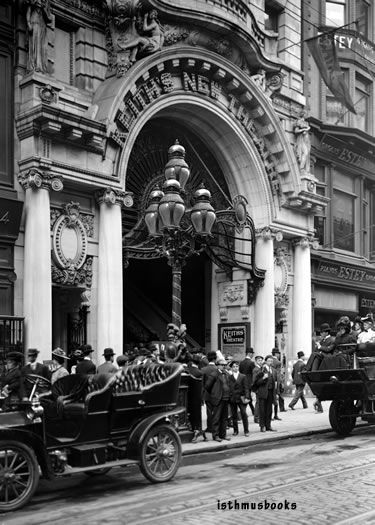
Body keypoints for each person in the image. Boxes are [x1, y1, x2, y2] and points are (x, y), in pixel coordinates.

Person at [205, 358, 231, 442]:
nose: (223, 366)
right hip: (218, 398)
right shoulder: (214, 374)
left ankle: (223, 435)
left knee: (224, 418)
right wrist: (214, 394)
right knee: (216, 418)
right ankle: (215, 435)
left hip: (225, 398)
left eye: (225, 365)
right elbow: (207, 386)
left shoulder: (226, 374)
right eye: (222, 365)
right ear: (217, 366)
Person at [253, 355, 277, 432]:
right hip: (263, 392)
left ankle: (268, 425)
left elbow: (275, 382)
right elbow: (256, 382)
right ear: (266, 361)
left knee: (269, 410)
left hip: (270, 392)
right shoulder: (261, 370)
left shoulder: (273, 370)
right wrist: (263, 378)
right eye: (269, 361)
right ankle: (262, 426)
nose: (270, 362)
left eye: (272, 361)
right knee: (262, 410)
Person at [187, 355, 207, 443]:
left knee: (190, 414)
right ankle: (197, 430)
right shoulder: (199, 373)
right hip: (197, 397)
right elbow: (202, 387)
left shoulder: (187, 371)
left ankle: (192, 429)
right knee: (197, 415)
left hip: (187, 397)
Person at [228, 361, 250, 437]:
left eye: (237, 366)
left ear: (239, 367)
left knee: (244, 414)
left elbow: (246, 388)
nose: (235, 368)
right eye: (233, 366)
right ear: (231, 368)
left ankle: (246, 430)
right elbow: (228, 388)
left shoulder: (243, 376)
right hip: (233, 398)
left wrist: (247, 397)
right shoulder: (229, 377)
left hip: (241, 397)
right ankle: (235, 430)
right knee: (234, 415)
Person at [201, 350, 219, 435]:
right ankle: (216, 428)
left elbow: (203, 384)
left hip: (207, 394)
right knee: (216, 411)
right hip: (217, 394)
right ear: (215, 359)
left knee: (209, 411)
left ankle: (209, 427)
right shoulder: (218, 369)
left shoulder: (203, 369)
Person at [239, 347, 255, 416]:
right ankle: (243, 413)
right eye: (252, 354)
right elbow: (253, 373)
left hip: (242, 382)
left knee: (248, 397)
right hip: (249, 382)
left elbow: (240, 372)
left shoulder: (241, 362)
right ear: (249, 353)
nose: (253, 355)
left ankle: (253, 411)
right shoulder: (251, 363)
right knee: (248, 398)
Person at [271, 348, 284, 416]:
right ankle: (276, 414)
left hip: (269, 381)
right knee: (276, 397)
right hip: (276, 382)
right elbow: (278, 375)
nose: (279, 355)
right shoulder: (278, 362)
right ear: (276, 354)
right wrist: (280, 383)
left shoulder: (269, 360)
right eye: (278, 353)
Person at [252, 355, 264, 423]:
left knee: (259, 403)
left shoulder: (261, 368)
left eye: (261, 360)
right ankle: (256, 417)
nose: (260, 361)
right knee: (258, 403)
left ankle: (258, 416)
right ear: (256, 361)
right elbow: (254, 380)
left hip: (261, 388)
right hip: (258, 388)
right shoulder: (256, 369)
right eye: (259, 360)